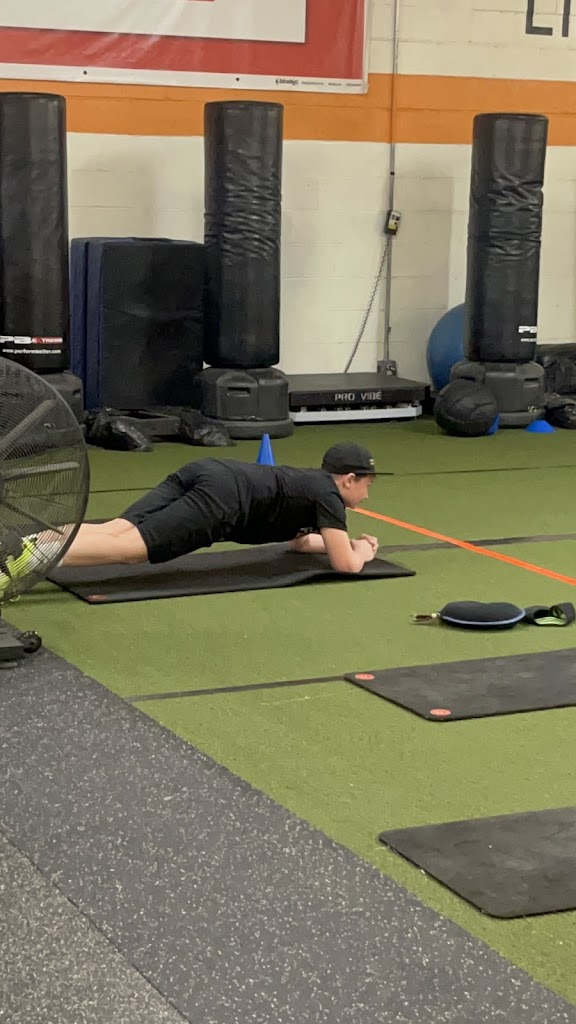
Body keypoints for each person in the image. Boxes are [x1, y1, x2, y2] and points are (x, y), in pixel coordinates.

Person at [4, 442, 385, 590]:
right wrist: (363, 551)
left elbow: (300, 543)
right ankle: (34, 558)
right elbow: (346, 566)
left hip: (206, 470)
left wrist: (346, 543)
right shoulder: (328, 497)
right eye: (368, 483)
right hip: (223, 499)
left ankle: (30, 542)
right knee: (133, 550)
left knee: (118, 529)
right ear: (349, 479)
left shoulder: (312, 485)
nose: (368, 493)